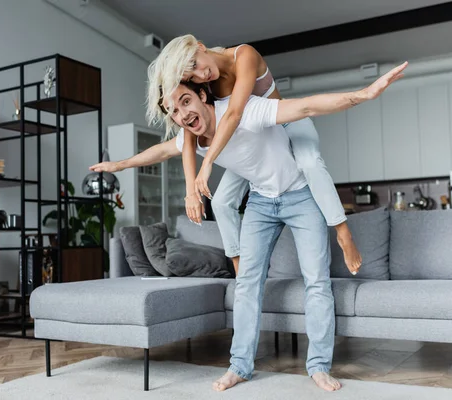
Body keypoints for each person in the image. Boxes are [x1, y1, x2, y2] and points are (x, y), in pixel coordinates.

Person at [91, 62, 407, 392]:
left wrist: (365, 94)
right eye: (174, 111)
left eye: (185, 101)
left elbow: (306, 106)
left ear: (202, 95)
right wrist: (120, 165)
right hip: (260, 203)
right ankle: (240, 365)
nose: (182, 114)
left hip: (301, 197)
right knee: (247, 284)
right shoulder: (195, 140)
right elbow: (159, 151)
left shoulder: (245, 111)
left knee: (317, 281)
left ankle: (318, 366)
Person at [144, 34, 362, 276]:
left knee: (310, 163)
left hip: (286, 123)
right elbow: (188, 135)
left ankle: (343, 232)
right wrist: (189, 190)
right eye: (191, 76)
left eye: (195, 65)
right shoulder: (204, 85)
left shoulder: (243, 55)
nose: (201, 75)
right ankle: (238, 264)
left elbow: (235, 113)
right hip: (257, 140)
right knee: (220, 202)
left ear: (200, 47)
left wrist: (206, 163)